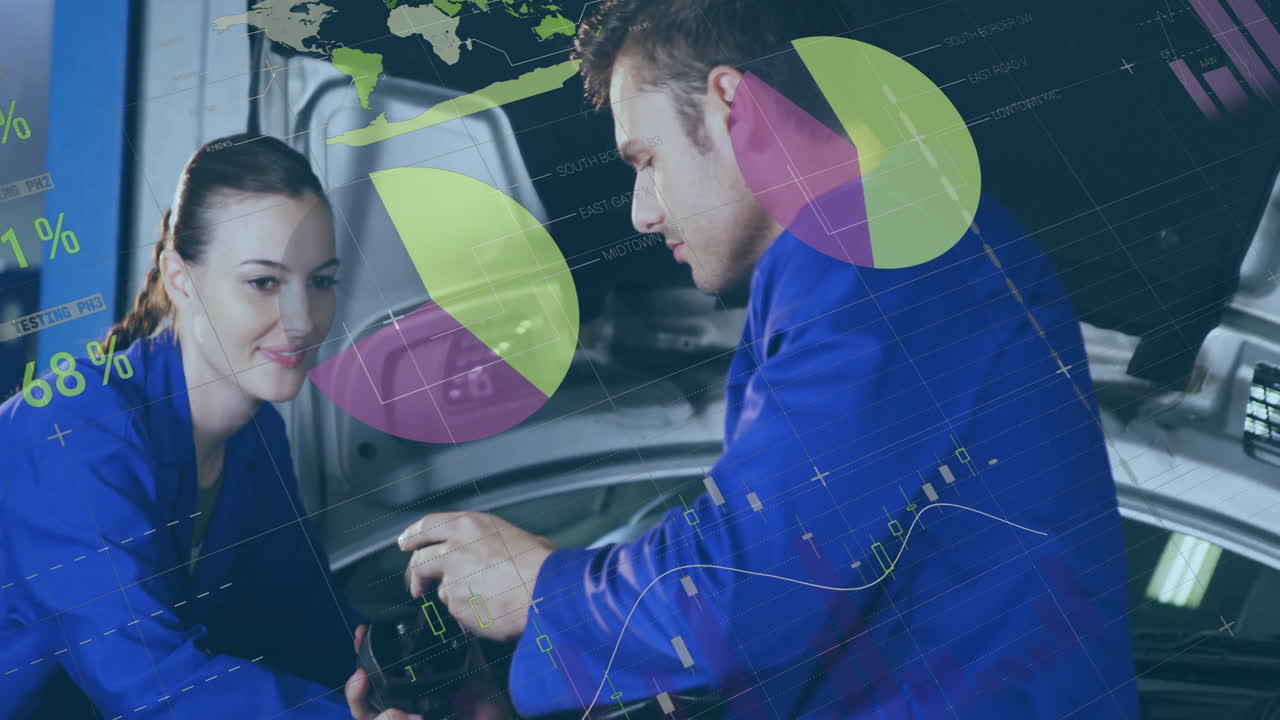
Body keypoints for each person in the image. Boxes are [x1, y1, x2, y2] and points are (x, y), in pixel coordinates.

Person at [385, 1, 1143, 718]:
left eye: (646, 159)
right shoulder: (866, 256)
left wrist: (542, 589)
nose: (643, 211)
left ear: (733, 106)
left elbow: (743, 593)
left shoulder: (882, 258)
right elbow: (800, 626)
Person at [0, 133, 369, 719]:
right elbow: (150, 683)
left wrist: (400, 685)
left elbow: (305, 621)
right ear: (179, 278)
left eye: (320, 281)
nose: (302, 321)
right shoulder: (68, 430)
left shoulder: (257, 435)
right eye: (264, 282)